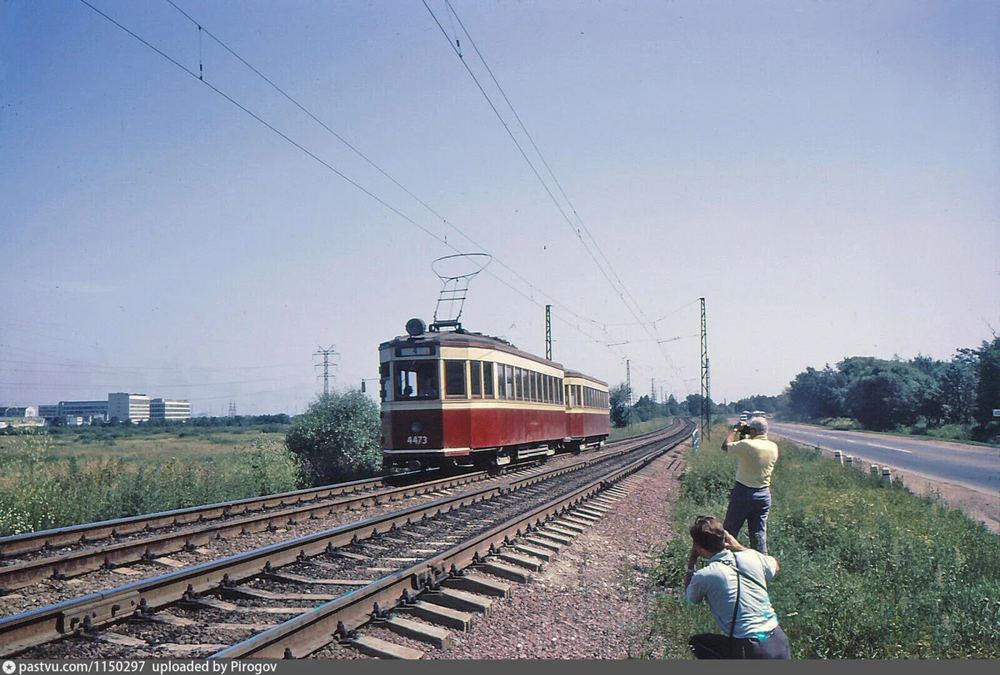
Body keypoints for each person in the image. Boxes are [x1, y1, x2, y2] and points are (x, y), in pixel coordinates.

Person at [685, 515, 790, 659]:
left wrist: (692, 560)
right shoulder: (751, 556)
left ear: (698, 547)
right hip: (779, 640)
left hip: (752, 649)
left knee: (697, 642)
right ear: (725, 539)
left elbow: (690, 598)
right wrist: (739, 547)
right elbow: (775, 567)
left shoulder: (705, 575)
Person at [721, 416, 778, 554]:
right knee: (759, 533)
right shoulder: (773, 447)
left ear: (753, 431)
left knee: (730, 531)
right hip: (763, 494)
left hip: (743, 492)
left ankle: (725, 560)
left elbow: (725, 446)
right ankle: (761, 565)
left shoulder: (748, 445)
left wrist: (735, 429)